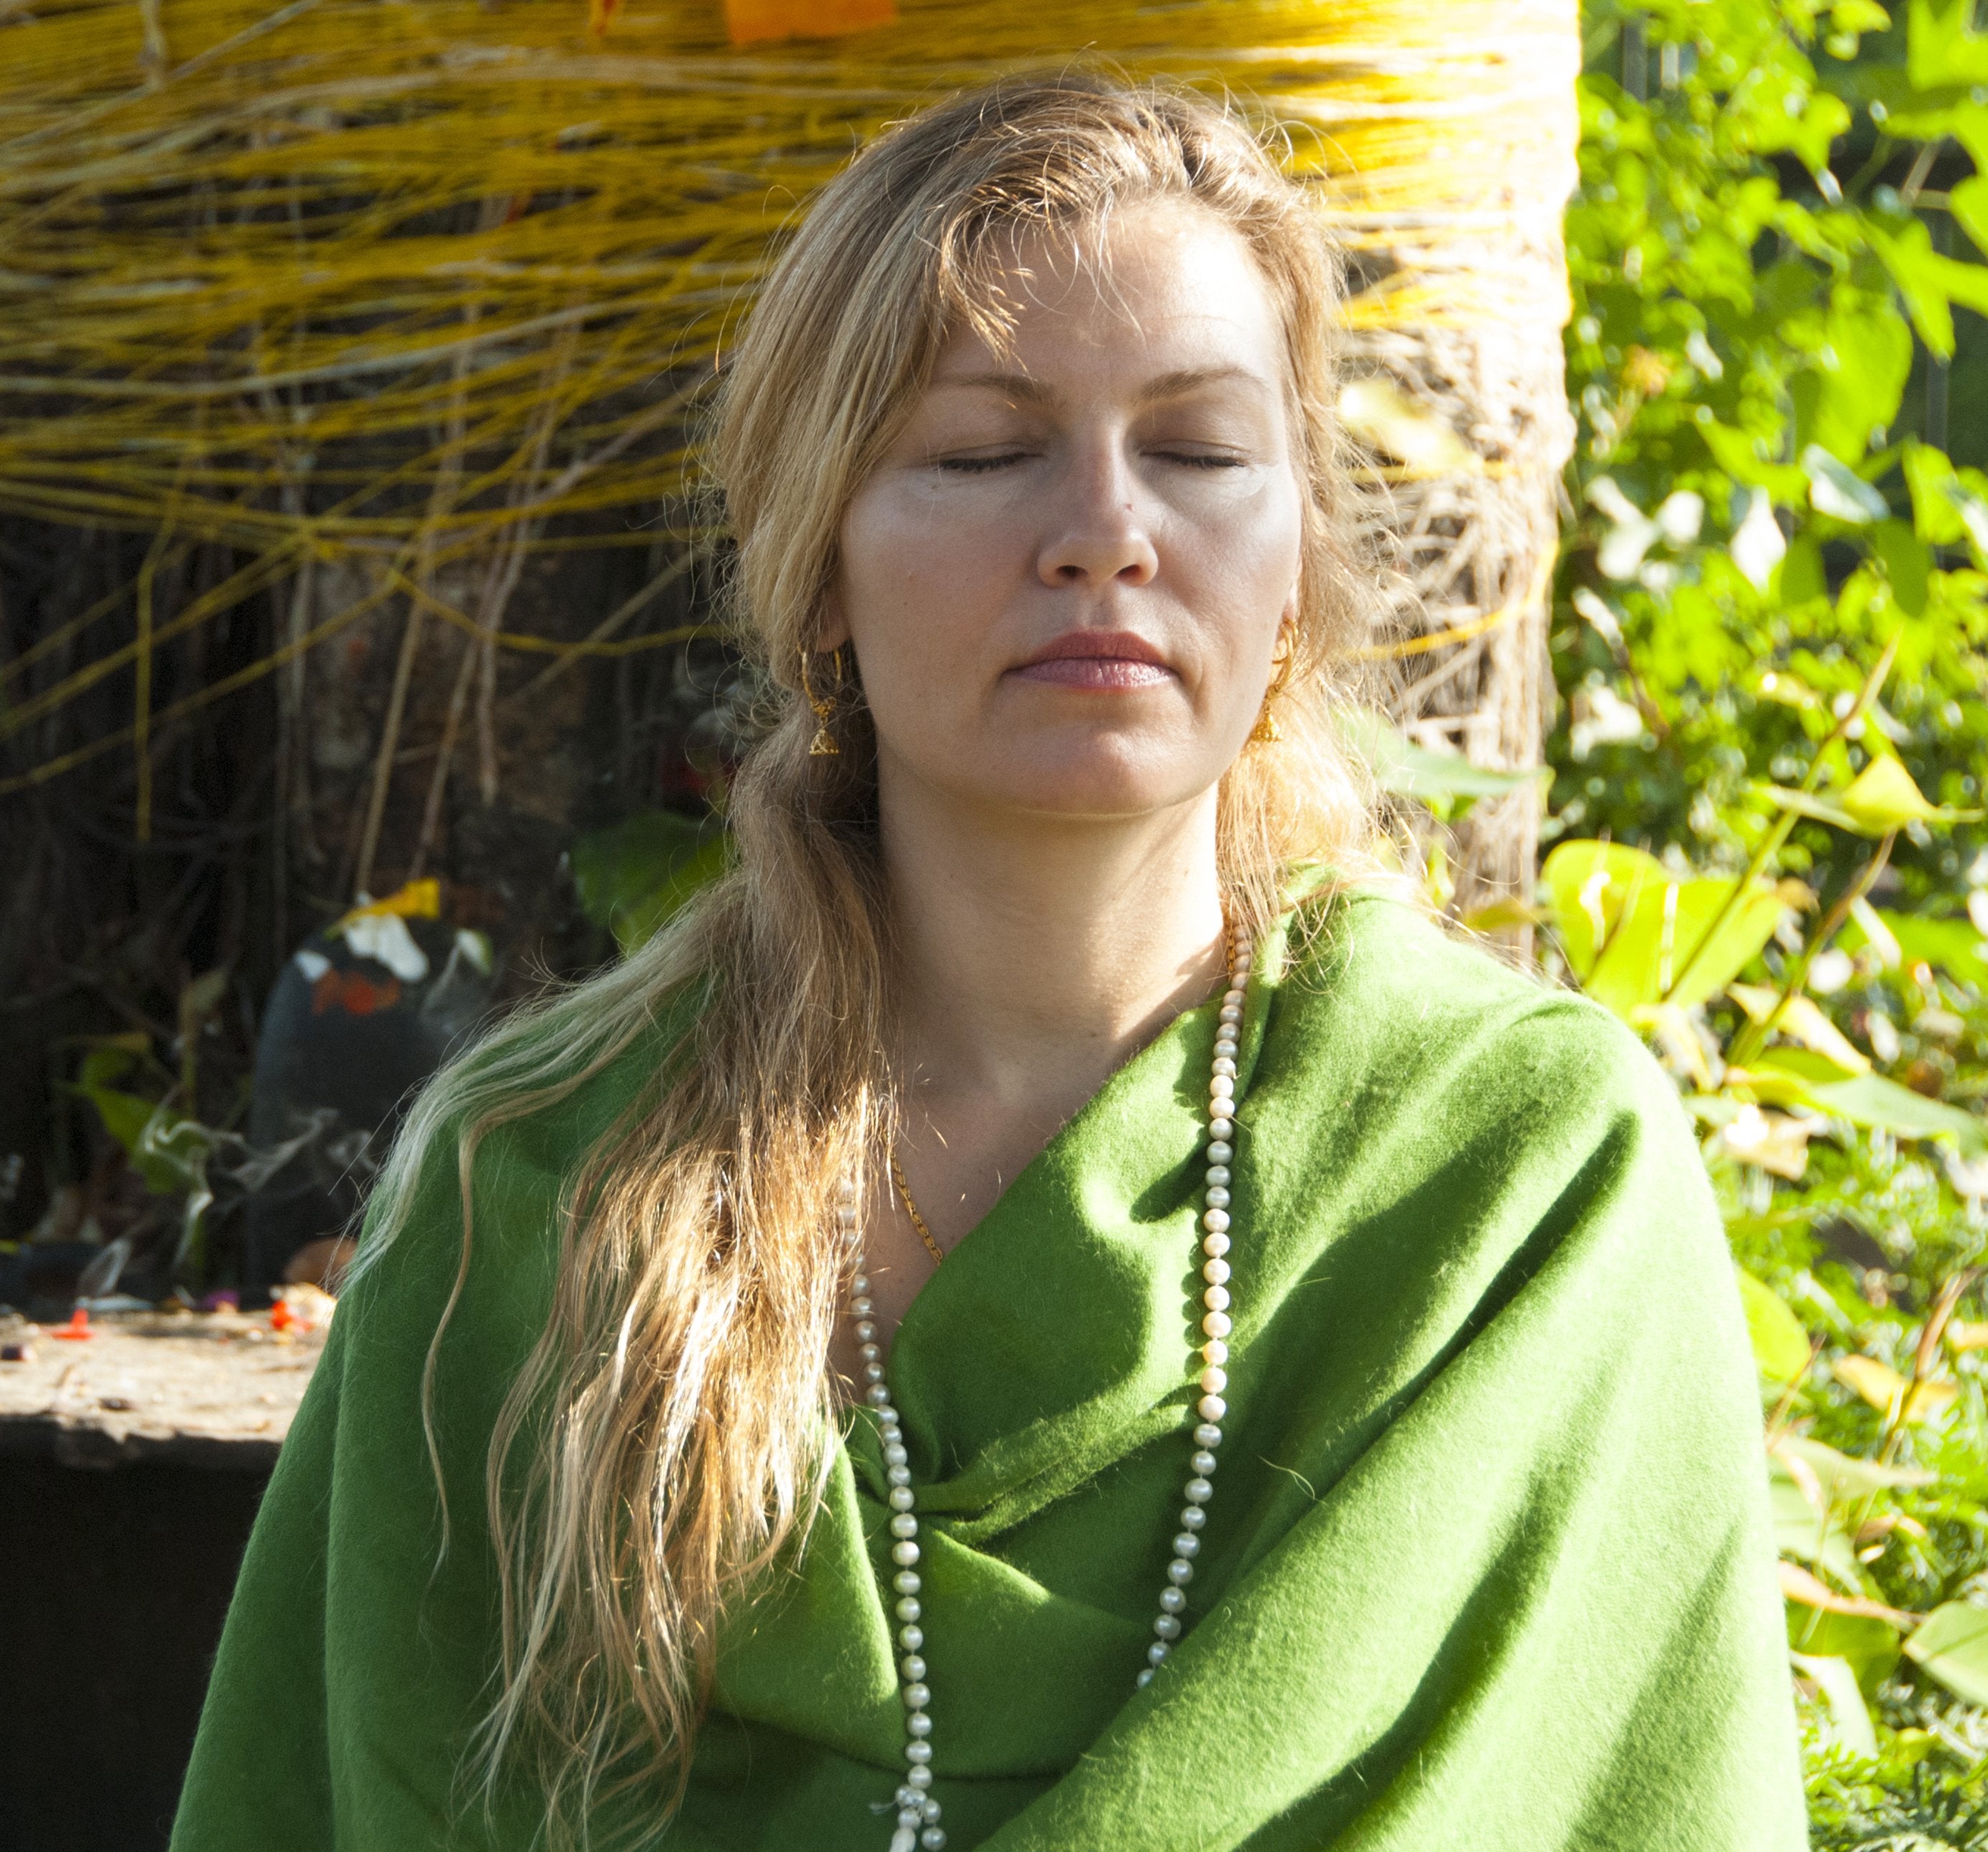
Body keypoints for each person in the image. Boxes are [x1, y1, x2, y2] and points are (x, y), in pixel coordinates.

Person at [169, 74, 1804, 1852]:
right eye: (979, 450)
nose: (1103, 530)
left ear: (1295, 564)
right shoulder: (536, 1195)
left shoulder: (1520, 1180)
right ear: (819, 574)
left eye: (1196, 451)